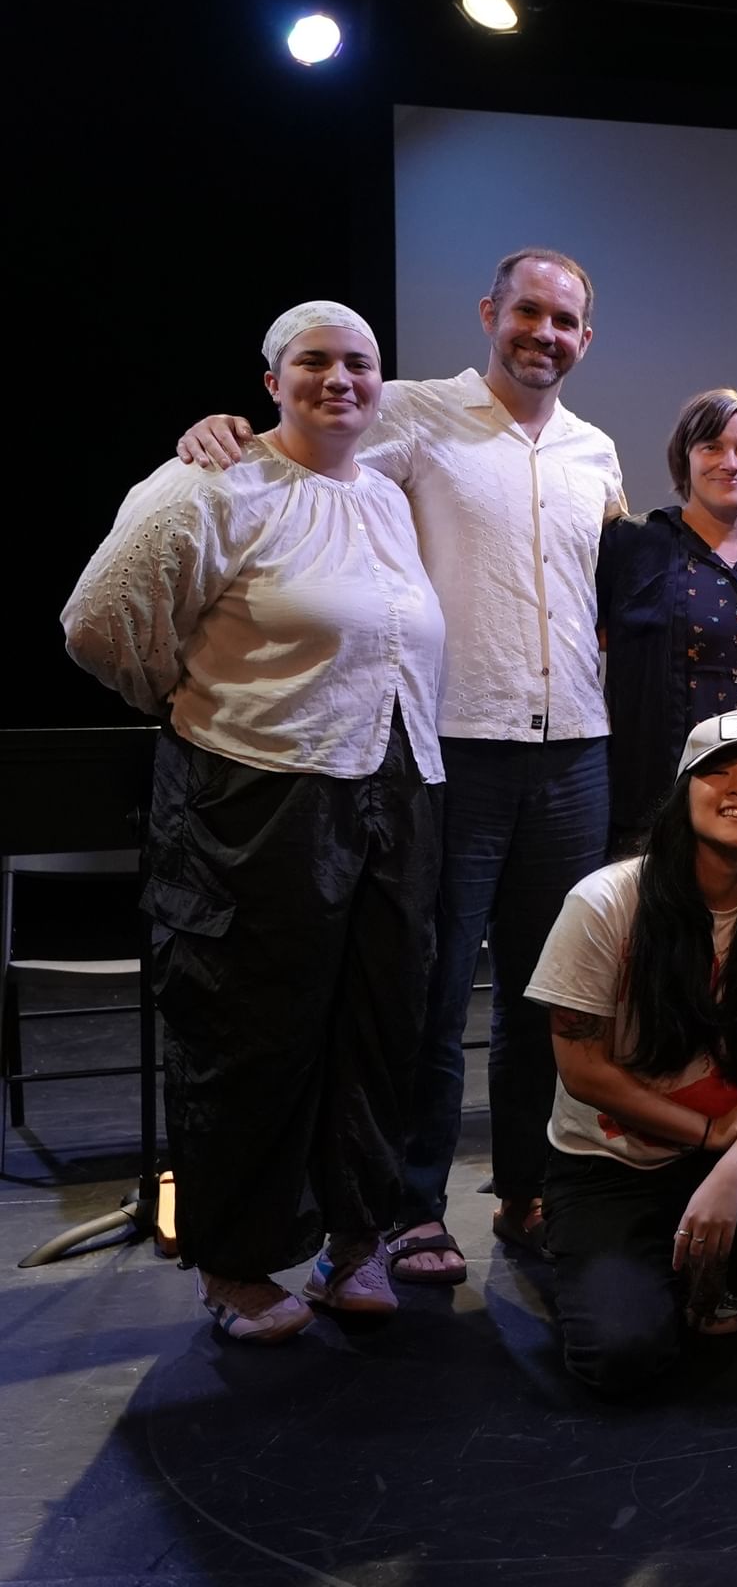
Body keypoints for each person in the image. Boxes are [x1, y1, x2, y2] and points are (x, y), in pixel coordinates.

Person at [178, 246, 625, 1285]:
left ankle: (528, 1190)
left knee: (551, 993)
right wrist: (217, 431)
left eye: (565, 321)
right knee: (426, 992)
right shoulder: (411, 411)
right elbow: (298, 451)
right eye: (527, 312)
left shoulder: (597, 451)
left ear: (585, 338)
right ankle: (411, 1206)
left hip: (575, 751)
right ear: (489, 312)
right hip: (453, 744)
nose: (544, 334)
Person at [66, 301, 444, 1342]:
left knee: (377, 1026)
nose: (340, 379)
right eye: (314, 360)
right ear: (272, 381)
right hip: (257, 795)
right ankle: (234, 1268)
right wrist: (192, 702)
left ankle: (353, 1243)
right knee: (248, 1032)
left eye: (360, 362)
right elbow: (100, 620)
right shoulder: (211, 483)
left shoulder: (385, 493)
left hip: (395, 789)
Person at [526, 713, 737, 1391]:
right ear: (682, 792)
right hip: (606, 1166)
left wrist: (730, 1167)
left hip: (727, 1149)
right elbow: (582, 1069)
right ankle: (611, 1257)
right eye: (716, 771)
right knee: (623, 1359)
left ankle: (720, 1275)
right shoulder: (606, 901)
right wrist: (705, 1132)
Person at [598, 389, 737, 854]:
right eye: (711, 446)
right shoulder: (633, 544)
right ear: (684, 456)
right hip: (657, 802)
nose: (730, 463)